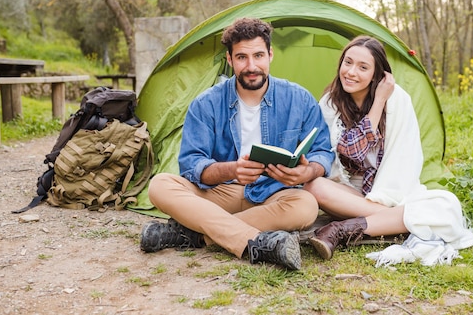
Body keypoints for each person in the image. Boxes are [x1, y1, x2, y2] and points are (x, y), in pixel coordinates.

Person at [139, 17, 334, 271]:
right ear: (230, 60)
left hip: (273, 194)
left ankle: (195, 235)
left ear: (270, 55)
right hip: (221, 191)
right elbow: (191, 165)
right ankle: (255, 242)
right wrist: (232, 170)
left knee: (307, 206)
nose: (251, 66)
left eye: (258, 56)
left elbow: (322, 151)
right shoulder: (206, 103)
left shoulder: (298, 98)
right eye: (242, 57)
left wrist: (308, 171)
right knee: (160, 185)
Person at [304, 36, 473, 266]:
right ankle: (392, 222)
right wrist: (377, 105)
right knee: (314, 185)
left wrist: (381, 100)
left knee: (446, 205)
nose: (351, 72)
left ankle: (342, 229)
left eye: (363, 67)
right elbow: (350, 151)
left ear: (377, 75)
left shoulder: (398, 101)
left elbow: (404, 163)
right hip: (348, 194)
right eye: (348, 62)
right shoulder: (330, 103)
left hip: (390, 190)